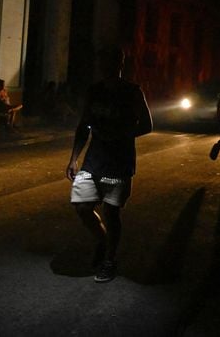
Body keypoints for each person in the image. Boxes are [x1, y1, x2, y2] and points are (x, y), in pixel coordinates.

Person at [65, 46, 153, 283]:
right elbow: (84, 125)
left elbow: (147, 125)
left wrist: (121, 134)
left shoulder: (132, 92)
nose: (104, 67)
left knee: (111, 213)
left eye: (110, 62)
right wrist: (74, 158)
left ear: (120, 64)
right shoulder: (95, 91)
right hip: (93, 160)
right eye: (102, 62)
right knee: (82, 206)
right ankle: (103, 242)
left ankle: (109, 261)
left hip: (119, 162)